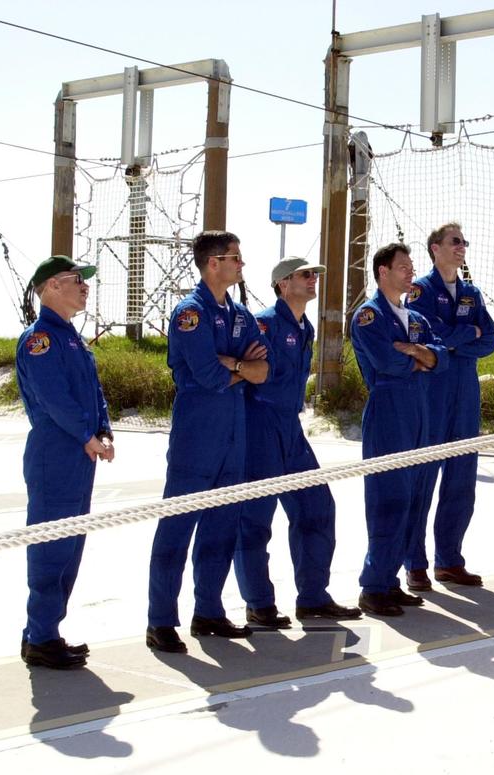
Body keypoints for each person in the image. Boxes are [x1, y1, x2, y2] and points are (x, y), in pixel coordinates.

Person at [145, 231, 269, 654]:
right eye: (235, 257)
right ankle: (160, 619)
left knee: (221, 528)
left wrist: (233, 364)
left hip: (233, 436)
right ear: (212, 263)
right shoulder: (190, 313)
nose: (241, 265)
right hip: (197, 437)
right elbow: (208, 375)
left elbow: (264, 368)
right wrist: (240, 365)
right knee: (177, 529)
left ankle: (209, 611)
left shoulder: (238, 313)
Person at [233, 258, 362, 627]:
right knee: (256, 519)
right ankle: (259, 603)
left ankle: (313, 597)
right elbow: (248, 372)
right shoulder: (264, 323)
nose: (313, 280)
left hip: (291, 427)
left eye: (315, 275)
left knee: (317, 507)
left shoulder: (305, 326)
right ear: (283, 284)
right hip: (260, 424)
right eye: (306, 275)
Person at [15, 256, 114, 670]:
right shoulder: (41, 339)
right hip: (56, 453)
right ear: (52, 287)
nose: (85, 287)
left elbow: (91, 393)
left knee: (71, 547)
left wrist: (103, 429)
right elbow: (55, 399)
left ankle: (47, 633)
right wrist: (87, 436)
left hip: (79, 452)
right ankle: (40, 636)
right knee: (51, 549)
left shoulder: (71, 338)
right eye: (78, 280)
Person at [350, 242, 448, 616]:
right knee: (387, 499)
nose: (410, 271)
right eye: (403, 266)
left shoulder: (417, 319)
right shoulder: (368, 317)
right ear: (383, 272)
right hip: (389, 411)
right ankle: (373, 586)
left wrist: (420, 353)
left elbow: (441, 360)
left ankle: (390, 580)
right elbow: (388, 362)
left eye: (411, 266)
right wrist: (418, 356)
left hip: (421, 410)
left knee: (413, 498)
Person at [403, 223, 494, 591]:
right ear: (435, 248)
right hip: (433, 391)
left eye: (464, 242)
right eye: (454, 242)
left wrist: (459, 339)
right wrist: (465, 334)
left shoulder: (472, 293)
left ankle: (449, 560)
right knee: (423, 480)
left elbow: (487, 339)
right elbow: (430, 335)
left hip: (465, 392)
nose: (462, 247)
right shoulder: (421, 290)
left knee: (461, 481)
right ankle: (414, 562)